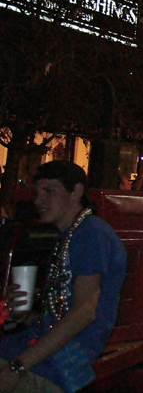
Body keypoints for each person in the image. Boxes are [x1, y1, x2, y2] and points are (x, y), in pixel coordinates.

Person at [0, 161, 127, 393]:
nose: (39, 201)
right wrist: (23, 314)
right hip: (43, 352)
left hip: (61, 363)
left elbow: (83, 313)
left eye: (50, 191)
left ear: (76, 191)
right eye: (37, 193)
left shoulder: (91, 234)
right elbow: (60, 312)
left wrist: (16, 367)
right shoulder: (70, 236)